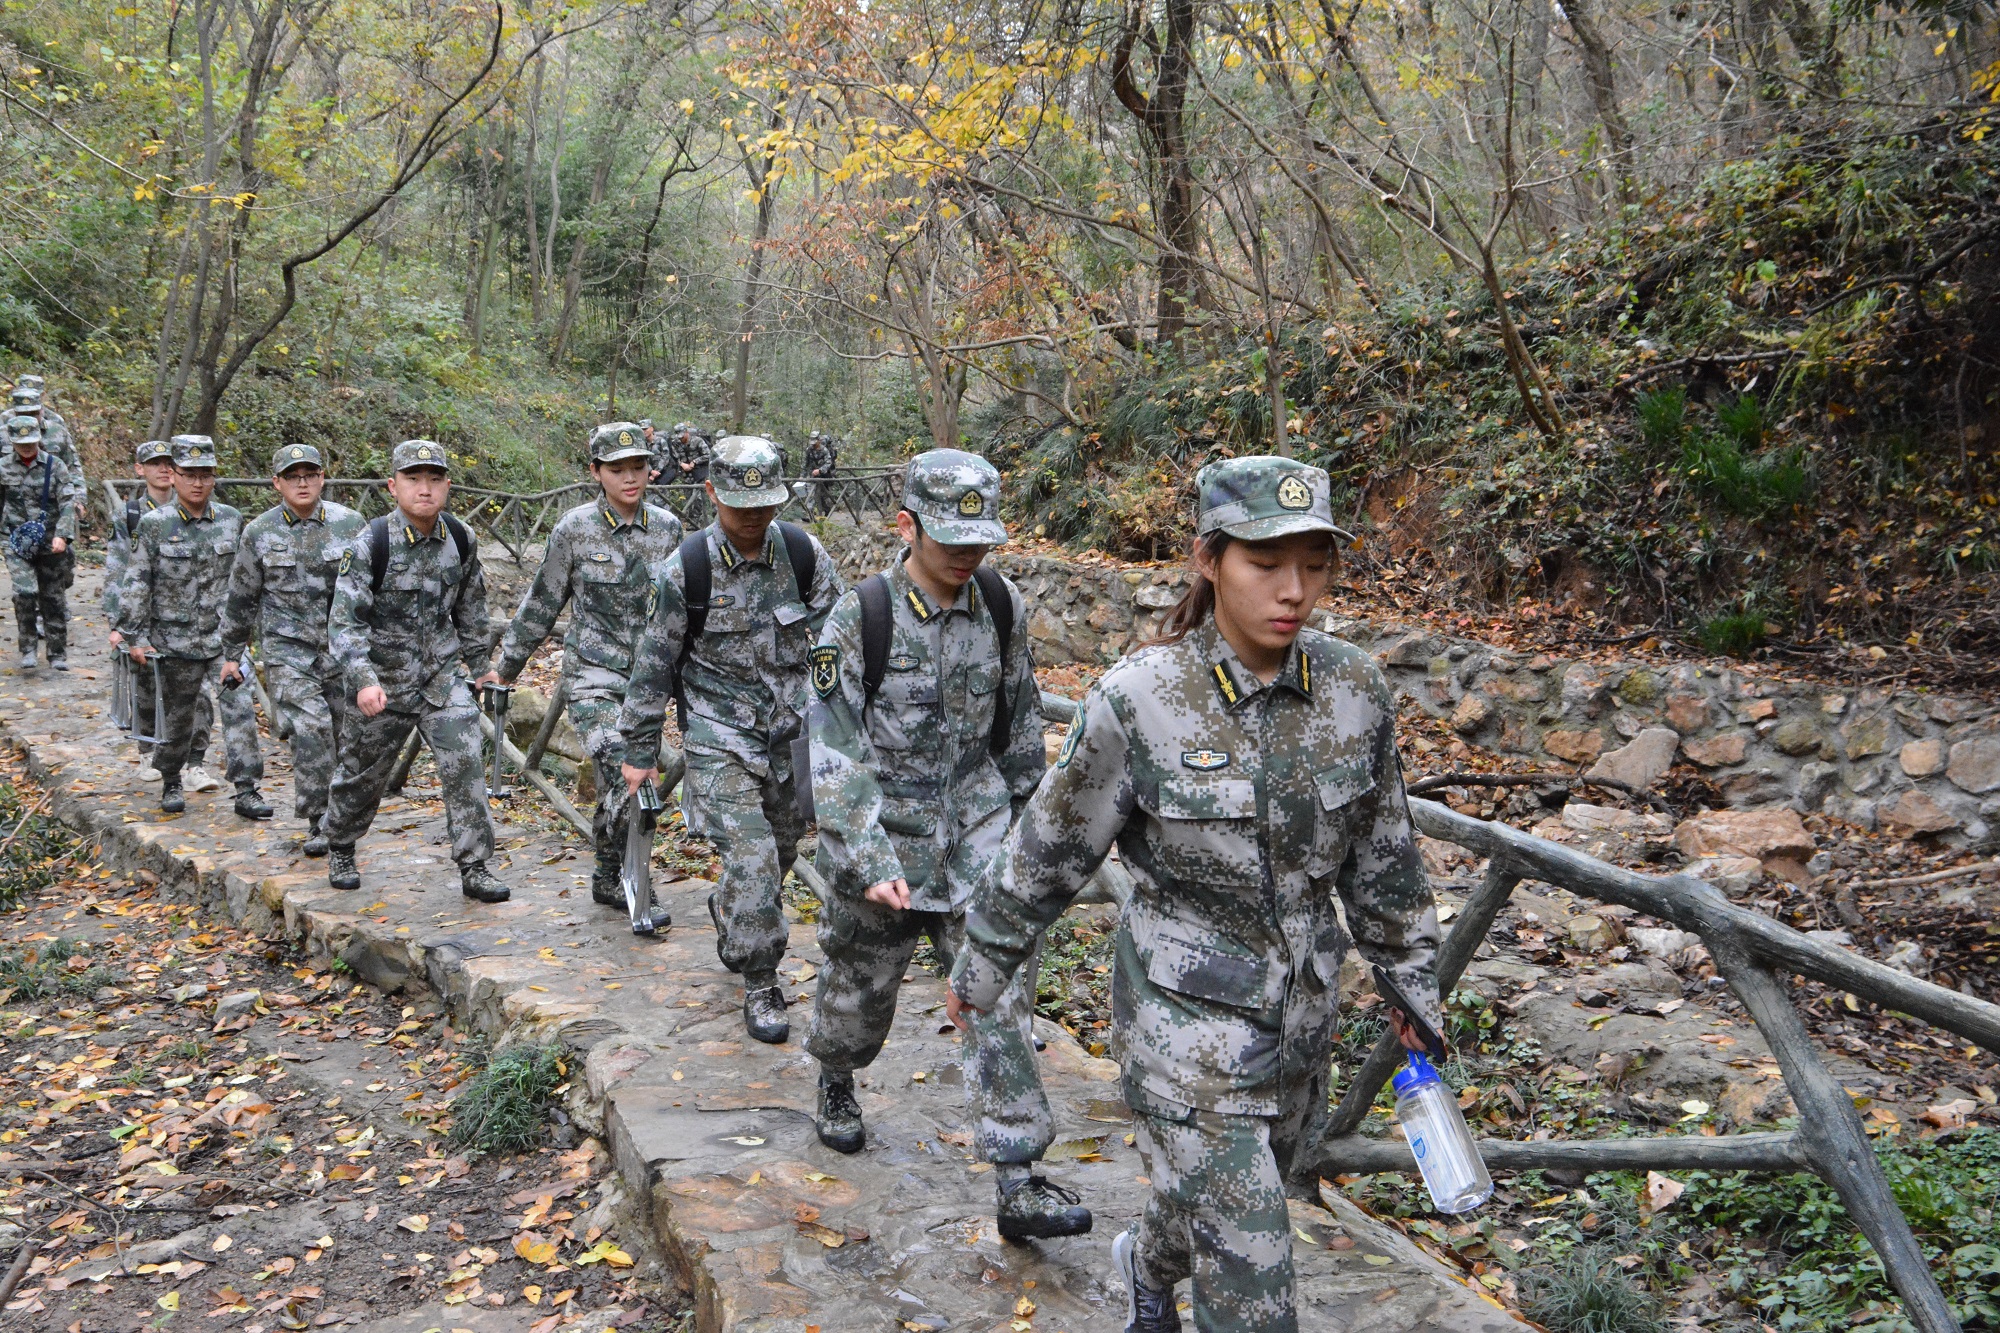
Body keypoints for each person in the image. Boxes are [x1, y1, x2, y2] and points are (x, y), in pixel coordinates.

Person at [946, 457, 1444, 1333]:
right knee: (1255, 1267)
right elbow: (1048, 847)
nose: (1295, 590)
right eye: (1266, 563)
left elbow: (1384, 853)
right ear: (1208, 558)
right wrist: (982, 962)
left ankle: (1145, 1258)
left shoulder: (1354, 689)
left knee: (1216, 1202)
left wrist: (1411, 977)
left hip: (1299, 1021)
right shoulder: (1140, 701)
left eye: (1316, 564)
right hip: (1183, 1026)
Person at [803, 448, 1090, 1241]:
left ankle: (1018, 1175)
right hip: (882, 844)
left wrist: (1035, 834)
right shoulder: (859, 616)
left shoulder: (1000, 605)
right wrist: (865, 854)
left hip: (975, 831)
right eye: (951, 539)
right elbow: (833, 746)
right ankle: (834, 1074)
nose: (968, 556)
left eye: (981, 540)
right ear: (907, 526)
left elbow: (1021, 723)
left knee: (994, 995)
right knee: (856, 1006)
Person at [618, 436, 843, 1043]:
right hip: (720, 738)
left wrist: (848, 729)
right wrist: (639, 751)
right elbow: (653, 665)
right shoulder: (684, 569)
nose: (752, 516)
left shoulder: (803, 556)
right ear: (712, 492)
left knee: (781, 853)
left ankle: (733, 912)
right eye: (739, 503)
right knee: (754, 858)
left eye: (765, 503)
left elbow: (838, 644)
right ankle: (762, 979)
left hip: (791, 736)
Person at [480, 423, 684, 907]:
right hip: (592, 678)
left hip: (647, 688)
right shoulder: (574, 530)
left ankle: (606, 874)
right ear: (596, 472)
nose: (630, 478)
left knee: (629, 782)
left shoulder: (670, 529)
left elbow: (682, 611)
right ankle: (634, 881)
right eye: (617, 469)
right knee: (624, 772)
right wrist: (506, 668)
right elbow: (541, 602)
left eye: (638, 466)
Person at [322, 440, 509, 902]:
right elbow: (345, 622)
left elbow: (470, 607)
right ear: (393, 486)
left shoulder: (461, 538)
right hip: (383, 682)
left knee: (465, 763)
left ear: (447, 485)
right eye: (412, 479)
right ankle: (340, 842)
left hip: (441, 678)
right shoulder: (372, 543)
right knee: (362, 774)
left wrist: (481, 666)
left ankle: (475, 864)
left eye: (433, 479)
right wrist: (363, 679)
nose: (424, 489)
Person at [217, 444, 367, 857]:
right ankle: (319, 819)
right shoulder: (259, 532)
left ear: (322, 478)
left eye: (310, 474)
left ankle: (342, 817)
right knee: (310, 729)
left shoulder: (351, 524)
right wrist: (233, 652)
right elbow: (241, 596)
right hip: (288, 650)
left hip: (341, 648)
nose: (302, 483)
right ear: (277, 482)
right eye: (292, 476)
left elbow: (372, 589)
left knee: (343, 734)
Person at [115, 435, 270, 819]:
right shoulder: (154, 525)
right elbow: (137, 580)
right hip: (174, 640)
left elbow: (248, 580)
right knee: (179, 716)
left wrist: (251, 630)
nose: (197, 483)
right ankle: (170, 780)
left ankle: (247, 788)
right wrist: (135, 636)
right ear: (175, 476)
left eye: (205, 475)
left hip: (224, 641)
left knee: (240, 713)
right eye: (189, 474)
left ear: (214, 477)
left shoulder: (232, 519)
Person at [108, 440, 218, 783]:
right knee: (147, 685)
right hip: (147, 614)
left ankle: (194, 762)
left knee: (197, 695)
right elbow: (118, 570)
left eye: (167, 463)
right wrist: (120, 625)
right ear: (141, 469)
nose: (163, 469)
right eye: (154, 464)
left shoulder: (204, 509)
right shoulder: (133, 514)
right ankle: (147, 751)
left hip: (193, 622)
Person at [1, 415, 80, 670]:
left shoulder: (55, 466)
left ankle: (57, 654)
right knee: (25, 592)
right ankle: (28, 648)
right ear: (11, 441)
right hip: (15, 541)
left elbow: (68, 502)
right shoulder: (3, 467)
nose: (26, 447)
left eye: (31, 442)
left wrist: (63, 535)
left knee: (52, 597)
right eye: (21, 442)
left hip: (50, 540)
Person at [6, 383, 86, 524]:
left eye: (33, 414)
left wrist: (79, 500)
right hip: (13, 514)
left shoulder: (57, 432)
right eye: (23, 414)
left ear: (41, 410)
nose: (28, 419)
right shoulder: (3, 434)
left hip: (52, 512)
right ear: (15, 412)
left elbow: (72, 467)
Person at [803, 430, 839, 516]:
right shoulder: (809, 450)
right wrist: (802, 475)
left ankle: (827, 511)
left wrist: (820, 470)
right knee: (810, 494)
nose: (813, 444)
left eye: (815, 442)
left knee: (823, 495)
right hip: (812, 476)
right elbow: (805, 464)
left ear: (819, 440)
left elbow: (828, 462)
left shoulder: (824, 450)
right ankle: (809, 514)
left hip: (824, 476)